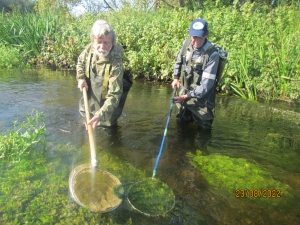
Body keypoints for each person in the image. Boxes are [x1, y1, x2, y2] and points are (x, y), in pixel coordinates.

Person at [76, 20, 132, 129]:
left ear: (112, 42)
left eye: (106, 43)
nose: (102, 47)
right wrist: (81, 78)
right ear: (93, 41)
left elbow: (114, 96)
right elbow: (80, 62)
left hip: (108, 111)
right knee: (84, 130)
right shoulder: (89, 49)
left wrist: (99, 115)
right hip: (88, 104)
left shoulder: (116, 64)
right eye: (99, 42)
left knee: (105, 133)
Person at [172, 18, 220, 129]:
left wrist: (186, 96)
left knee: (204, 128)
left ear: (206, 34)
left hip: (203, 97)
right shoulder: (186, 44)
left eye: (200, 37)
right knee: (181, 122)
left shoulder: (212, 55)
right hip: (185, 90)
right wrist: (176, 78)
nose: (196, 41)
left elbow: (205, 85)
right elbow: (179, 61)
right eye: (194, 37)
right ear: (189, 33)